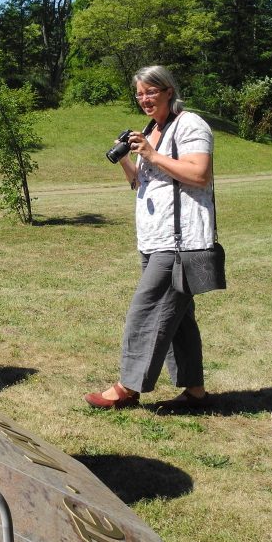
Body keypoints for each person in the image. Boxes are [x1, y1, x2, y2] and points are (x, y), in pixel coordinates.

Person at [84, 65, 214, 410]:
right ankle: (195, 392)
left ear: (169, 90)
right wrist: (129, 158)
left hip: (181, 240)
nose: (144, 99)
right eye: (140, 93)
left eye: (151, 91)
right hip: (155, 239)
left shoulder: (190, 124)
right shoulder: (151, 129)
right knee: (178, 319)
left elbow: (199, 174)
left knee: (147, 310)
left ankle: (126, 388)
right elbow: (141, 183)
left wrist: (153, 154)